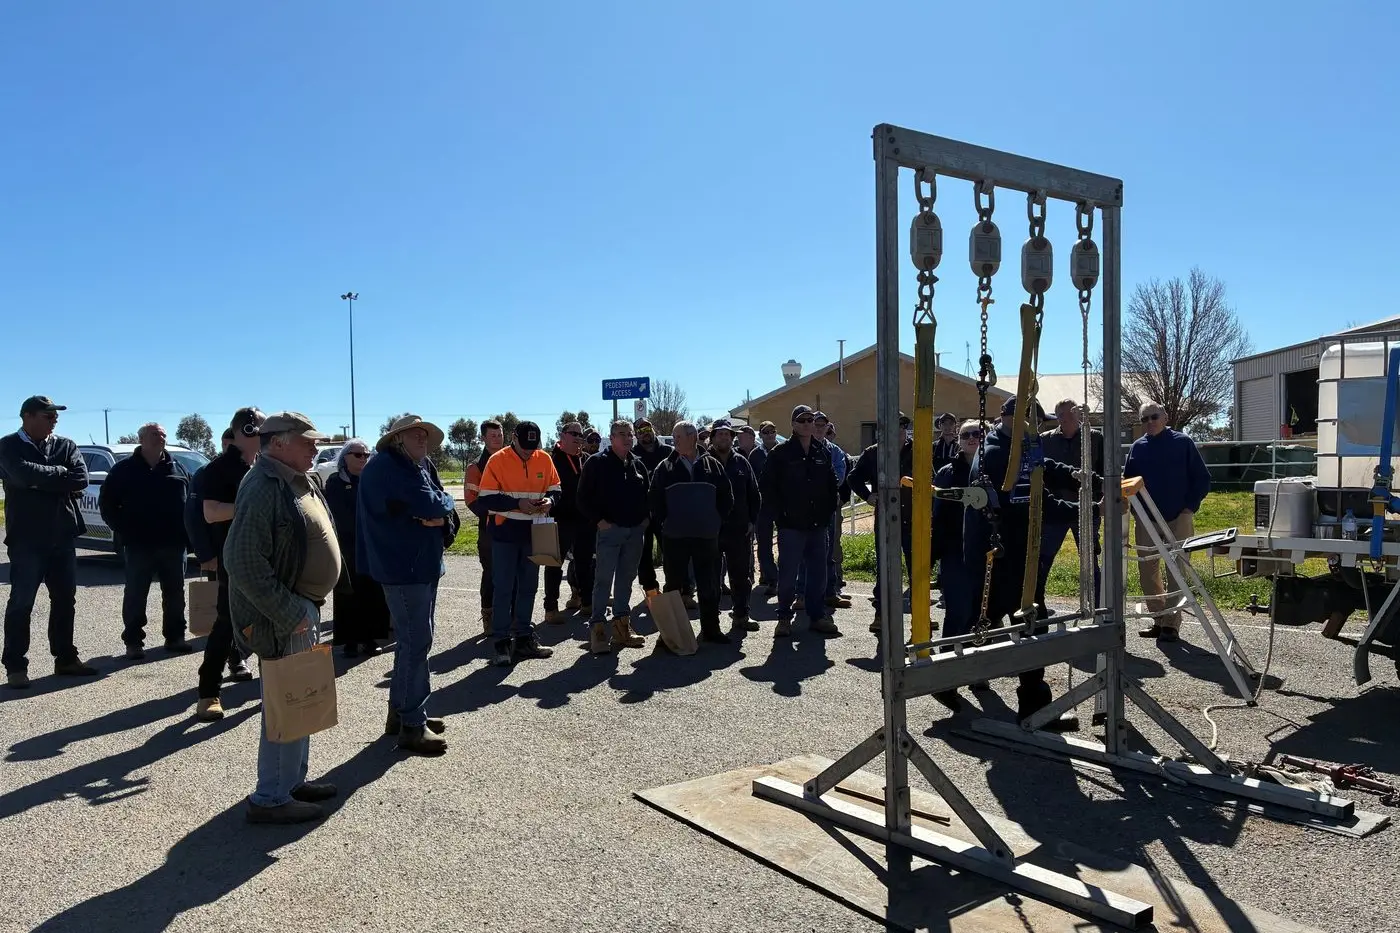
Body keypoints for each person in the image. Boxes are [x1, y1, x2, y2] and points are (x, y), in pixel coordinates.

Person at [224, 412, 342, 824]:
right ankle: (271, 797)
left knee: (301, 696)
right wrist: (290, 612)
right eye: (306, 441)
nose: (315, 448)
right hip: (285, 614)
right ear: (277, 443)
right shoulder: (263, 486)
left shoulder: (295, 476)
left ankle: (290, 782)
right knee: (285, 702)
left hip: (301, 609)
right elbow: (241, 561)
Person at [961, 397, 1092, 722]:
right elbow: (1030, 502)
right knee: (1031, 619)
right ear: (1011, 418)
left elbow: (1041, 470)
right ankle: (1033, 706)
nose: (1038, 428)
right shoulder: (997, 453)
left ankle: (963, 672)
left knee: (992, 618)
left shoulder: (1020, 444)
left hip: (1014, 552)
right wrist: (1083, 510)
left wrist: (1075, 475)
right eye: (1033, 421)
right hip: (1003, 553)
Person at [358, 415, 456, 754]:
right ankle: (412, 724)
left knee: (412, 643)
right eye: (416, 434)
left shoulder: (414, 464)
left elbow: (439, 500)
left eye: (425, 435)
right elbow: (434, 502)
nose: (423, 439)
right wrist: (441, 508)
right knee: (416, 643)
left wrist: (441, 511)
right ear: (397, 438)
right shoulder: (389, 467)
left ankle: (403, 714)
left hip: (419, 566)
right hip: (405, 569)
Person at [0, 396, 96, 689]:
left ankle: (65, 658)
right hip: (27, 539)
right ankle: (16, 666)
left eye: (55, 416)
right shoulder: (7, 446)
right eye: (47, 415)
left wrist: (41, 479)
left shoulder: (65, 445)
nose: (54, 419)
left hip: (62, 536)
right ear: (27, 416)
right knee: (22, 603)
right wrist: (59, 474)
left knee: (65, 600)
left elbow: (81, 478)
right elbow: (20, 474)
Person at [99, 422, 193, 659]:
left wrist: (190, 536)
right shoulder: (124, 470)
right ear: (141, 439)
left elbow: (192, 502)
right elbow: (108, 503)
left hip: (173, 543)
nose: (160, 437)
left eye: (163, 434)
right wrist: (123, 529)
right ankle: (133, 642)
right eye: (154, 434)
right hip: (138, 544)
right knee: (135, 594)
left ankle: (175, 637)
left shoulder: (178, 467)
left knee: (175, 593)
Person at [194, 407, 264, 722]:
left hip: (266, 557)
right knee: (225, 624)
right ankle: (208, 693)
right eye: (262, 427)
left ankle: (277, 688)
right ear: (246, 430)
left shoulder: (264, 466)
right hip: (234, 558)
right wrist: (249, 507)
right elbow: (210, 513)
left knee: (271, 623)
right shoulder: (218, 469)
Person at [473, 421, 561, 667]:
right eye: (524, 448)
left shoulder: (543, 458)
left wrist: (550, 502)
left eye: (532, 448)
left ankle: (523, 638)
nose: (528, 452)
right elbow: (486, 498)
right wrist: (517, 503)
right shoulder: (497, 460)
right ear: (514, 438)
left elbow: (556, 489)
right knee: (504, 587)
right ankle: (501, 641)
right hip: (505, 532)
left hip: (534, 531)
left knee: (529, 586)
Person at [1124, 400, 1211, 643]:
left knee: (1178, 569)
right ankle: (1159, 618)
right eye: (1144, 419)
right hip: (1146, 518)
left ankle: (1172, 624)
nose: (1149, 422)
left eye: (1153, 417)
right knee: (1147, 570)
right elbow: (1127, 482)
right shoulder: (1137, 448)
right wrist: (1134, 511)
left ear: (1163, 417)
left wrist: (1189, 508)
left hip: (1178, 516)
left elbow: (1202, 479)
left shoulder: (1183, 443)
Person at [649, 421, 734, 644]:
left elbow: (726, 497)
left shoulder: (712, 465)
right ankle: (670, 634)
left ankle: (711, 629)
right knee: (673, 586)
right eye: (674, 437)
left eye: (678, 437)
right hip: (675, 538)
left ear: (692, 437)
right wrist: (665, 524)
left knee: (709, 584)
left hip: (706, 537)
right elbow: (655, 500)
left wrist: (716, 522)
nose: (674, 441)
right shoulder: (665, 467)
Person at [763, 405, 840, 637]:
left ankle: (817, 617)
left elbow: (832, 484)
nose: (808, 424)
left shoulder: (822, 452)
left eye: (811, 420)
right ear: (794, 425)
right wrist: (781, 516)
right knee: (788, 575)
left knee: (818, 575)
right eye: (803, 420)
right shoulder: (780, 453)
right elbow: (766, 487)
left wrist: (827, 513)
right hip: (791, 527)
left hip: (818, 526)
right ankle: (784, 618)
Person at [576, 420, 649, 654]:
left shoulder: (637, 464)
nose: (627, 438)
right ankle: (598, 630)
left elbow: (647, 495)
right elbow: (583, 498)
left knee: (626, 579)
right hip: (609, 531)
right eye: (621, 434)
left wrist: (645, 520)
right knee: (603, 580)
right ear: (611, 437)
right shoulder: (596, 463)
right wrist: (599, 522)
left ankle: (621, 627)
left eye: (630, 434)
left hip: (635, 532)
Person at [848, 413, 916, 633]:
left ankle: (920, 615)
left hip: (915, 518)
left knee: (918, 567)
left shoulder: (919, 450)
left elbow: (931, 479)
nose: (898, 432)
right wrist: (868, 497)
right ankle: (880, 614)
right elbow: (853, 478)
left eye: (901, 427)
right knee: (885, 567)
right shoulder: (873, 453)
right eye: (892, 427)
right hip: (886, 519)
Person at [323, 438, 390, 658]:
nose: (363, 458)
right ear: (345, 458)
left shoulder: (372, 480)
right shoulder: (335, 482)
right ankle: (350, 641)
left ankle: (370, 639)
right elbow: (338, 515)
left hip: (372, 545)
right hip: (347, 546)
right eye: (357, 455)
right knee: (348, 594)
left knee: (373, 592)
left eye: (366, 455)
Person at [1037, 398, 1105, 612]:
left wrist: (1101, 498)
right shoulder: (1045, 440)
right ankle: (1037, 604)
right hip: (1055, 510)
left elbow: (1102, 471)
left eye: (1069, 415)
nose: (1064, 419)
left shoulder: (1093, 438)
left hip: (1087, 507)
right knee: (1043, 558)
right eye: (1060, 415)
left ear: (1078, 415)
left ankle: (1096, 605)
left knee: (1089, 560)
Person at [707, 419, 762, 633]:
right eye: (720, 434)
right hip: (710, 531)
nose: (725, 438)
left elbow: (754, 494)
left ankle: (741, 616)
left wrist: (752, 521)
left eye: (728, 435)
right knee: (711, 578)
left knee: (740, 576)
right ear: (712, 438)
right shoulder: (703, 463)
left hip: (739, 529)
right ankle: (711, 622)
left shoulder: (742, 462)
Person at [544, 421, 595, 624]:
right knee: (554, 565)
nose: (578, 437)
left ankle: (586, 602)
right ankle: (551, 608)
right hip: (560, 519)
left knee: (585, 563)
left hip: (584, 520)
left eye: (580, 434)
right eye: (573, 433)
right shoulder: (551, 460)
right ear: (562, 436)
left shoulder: (587, 459)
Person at [464, 419, 506, 636]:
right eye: (493, 436)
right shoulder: (475, 467)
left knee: (513, 574)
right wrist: (495, 513)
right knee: (491, 573)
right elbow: (471, 500)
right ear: (483, 438)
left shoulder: (512, 462)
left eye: (499, 435)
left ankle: (511, 617)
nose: (497, 439)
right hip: (489, 531)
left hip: (514, 528)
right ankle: (488, 616)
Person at [811, 413, 852, 610]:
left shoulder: (835, 452)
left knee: (829, 551)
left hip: (828, 508)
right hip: (805, 509)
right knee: (805, 553)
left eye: (822, 425)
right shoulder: (803, 448)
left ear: (828, 427)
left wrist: (821, 487)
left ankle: (830, 592)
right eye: (815, 424)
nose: (819, 428)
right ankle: (801, 594)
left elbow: (839, 475)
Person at [632, 418, 669, 595]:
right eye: (639, 431)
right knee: (644, 553)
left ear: (652, 429)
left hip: (666, 511)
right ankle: (650, 588)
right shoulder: (632, 455)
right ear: (635, 435)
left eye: (646, 428)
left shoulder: (668, 452)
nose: (644, 433)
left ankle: (677, 588)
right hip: (642, 512)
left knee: (671, 550)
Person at [753, 420, 780, 593]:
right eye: (766, 432)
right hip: (762, 506)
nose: (769, 434)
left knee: (787, 544)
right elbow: (751, 481)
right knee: (764, 545)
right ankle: (772, 579)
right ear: (761, 435)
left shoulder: (785, 451)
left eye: (772, 431)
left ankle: (786, 579)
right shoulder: (755, 455)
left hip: (784, 504)